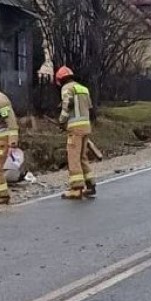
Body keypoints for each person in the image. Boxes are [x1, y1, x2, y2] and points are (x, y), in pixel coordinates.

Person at [56, 65, 96, 200]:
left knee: (73, 157)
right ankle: (90, 184)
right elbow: (89, 107)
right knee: (82, 156)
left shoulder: (67, 89)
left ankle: (76, 188)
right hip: (86, 126)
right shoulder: (83, 88)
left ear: (61, 80)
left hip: (75, 128)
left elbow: (67, 106)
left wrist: (61, 121)